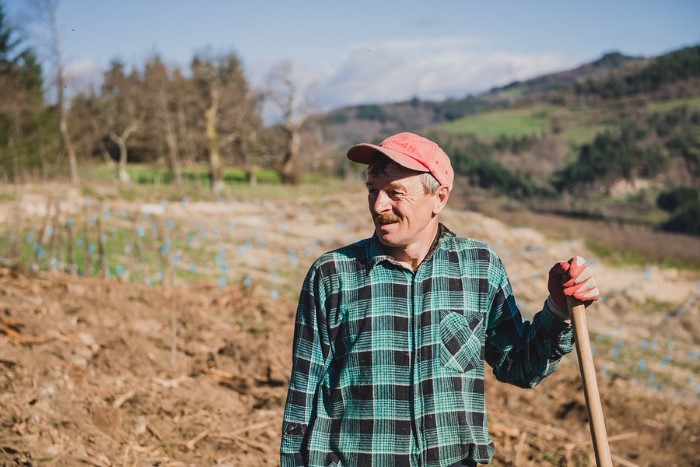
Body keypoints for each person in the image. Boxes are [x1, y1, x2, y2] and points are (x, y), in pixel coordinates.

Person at [280, 132, 599, 466]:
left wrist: (559, 310)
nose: (378, 205)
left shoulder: (478, 267)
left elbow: (519, 366)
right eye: (373, 190)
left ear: (439, 198)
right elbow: (303, 390)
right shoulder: (333, 274)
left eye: (394, 192)